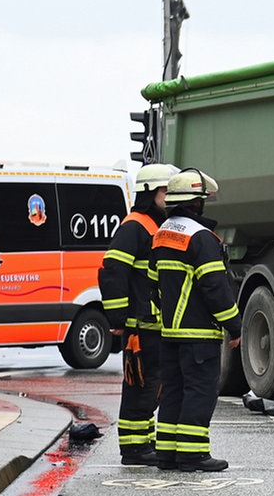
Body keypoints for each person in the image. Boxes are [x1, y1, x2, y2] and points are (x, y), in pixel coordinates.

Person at [151, 169, 241, 472]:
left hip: (170, 334)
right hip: (199, 333)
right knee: (199, 392)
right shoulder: (201, 238)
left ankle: (167, 453)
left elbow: (153, 282)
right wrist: (234, 325)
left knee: (174, 391)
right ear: (196, 203)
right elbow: (215, 286)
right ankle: (192, 454)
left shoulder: (161, 234)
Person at [99, 163, 178, 465]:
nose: (169, 199)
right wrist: (117, 318)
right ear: (149, 192)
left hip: (152, 323)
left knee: (150, 385)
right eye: (165, 192)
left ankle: (143, 441)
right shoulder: (135, 226)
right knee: (140, 385)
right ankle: (133, 448)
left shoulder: (154, 225)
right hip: (139, 325)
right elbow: (113, 270)